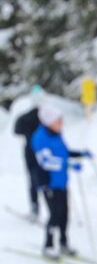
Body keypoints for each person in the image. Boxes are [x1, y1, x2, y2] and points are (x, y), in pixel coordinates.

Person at [30, 102, 92, 258]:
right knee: (55, 214)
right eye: (58, 121)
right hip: (48, 182)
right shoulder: (39, 137)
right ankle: (48, 246)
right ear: (49, 122)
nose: (61, 124)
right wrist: (69, 165)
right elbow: (45, 161)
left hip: (61, 182)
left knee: (65, 214)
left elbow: (64, 152)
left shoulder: (57, 134)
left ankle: (64, 243)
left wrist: (80, 154)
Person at [13, 85, 44, 219]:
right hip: (42, 150)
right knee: (44, 178)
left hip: (30, 151)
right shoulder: (45, 116)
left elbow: (16, 131)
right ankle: (48, 208)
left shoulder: (25, 117)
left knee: (33, 179)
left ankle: (35, 206)